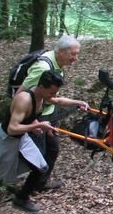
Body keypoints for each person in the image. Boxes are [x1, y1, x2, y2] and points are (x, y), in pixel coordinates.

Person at [0, 70, 66, 214]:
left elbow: (32, 115)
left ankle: (21, 197)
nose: (53, 96)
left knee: (41, 167)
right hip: (7, 139)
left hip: (22, 138)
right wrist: (37, 125)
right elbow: (12, 128)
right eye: (52, 92)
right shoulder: (24, 99)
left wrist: (35, 125)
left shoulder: (41, 96)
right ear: (41, 86)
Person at [17, 35, 88, 191]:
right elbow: (21, 94)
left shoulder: (58, 66)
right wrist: (33, 121)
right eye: (73, 54)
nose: (76, 58)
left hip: (48, 112)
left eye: (77, 54)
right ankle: (20, 191)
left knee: (53, 149)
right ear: (61, 51)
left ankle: (39, 184)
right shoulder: (43, 67)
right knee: (38, 154)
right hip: (36, 116)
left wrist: (77, 103)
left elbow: (52, 98)